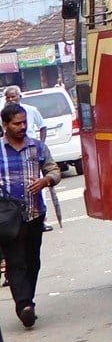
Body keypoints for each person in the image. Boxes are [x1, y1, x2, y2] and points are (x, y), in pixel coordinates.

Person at [0, 101, 61, 329]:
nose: (22, 127)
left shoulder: (37, 147)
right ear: (5, 125)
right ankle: (24, 306)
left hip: (35, 215)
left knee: (32, 261)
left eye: (24, 122)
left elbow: (53, 170)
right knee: (16, 263)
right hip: (7, 219)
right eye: (17, 123)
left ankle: (28, 301)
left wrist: (46, 180)